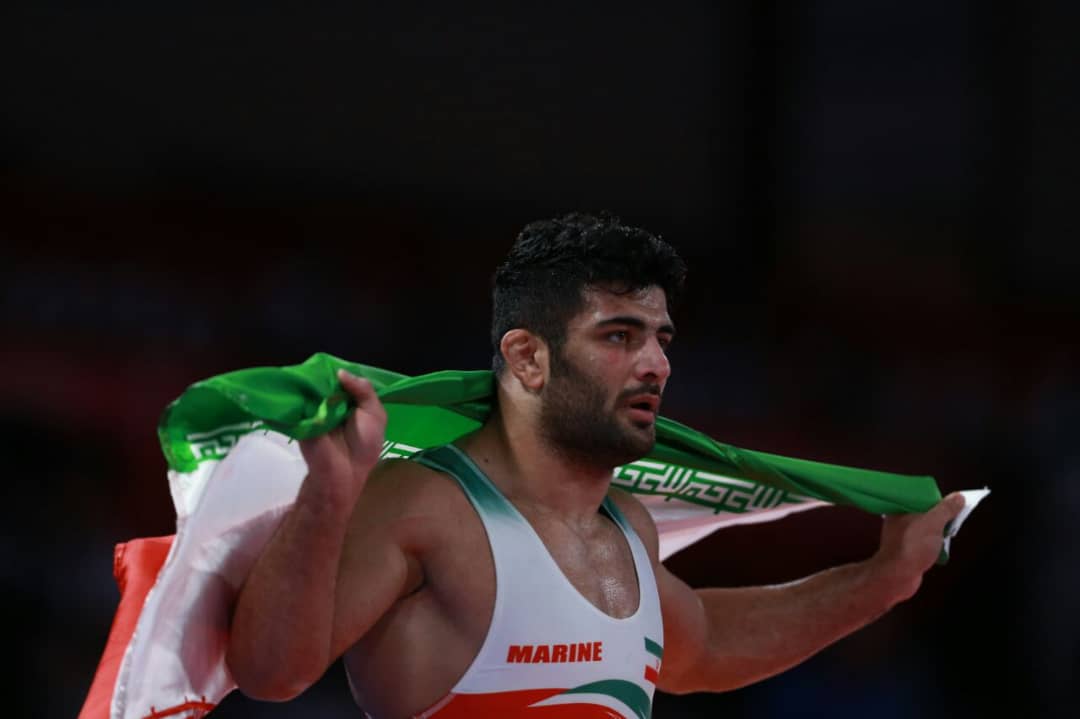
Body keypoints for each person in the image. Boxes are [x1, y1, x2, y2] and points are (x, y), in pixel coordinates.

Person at [225, 212, 965, 718]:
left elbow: (705, 644)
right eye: (619, 336)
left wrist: (883, 580)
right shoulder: (426, 505)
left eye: (661, 339)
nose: (656, 365)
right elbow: (269, 672)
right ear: (528, 356)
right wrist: (326, 499)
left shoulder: (625, 529)